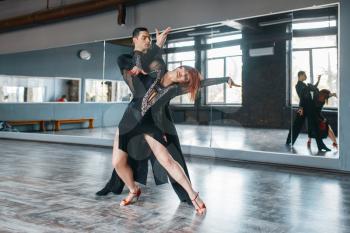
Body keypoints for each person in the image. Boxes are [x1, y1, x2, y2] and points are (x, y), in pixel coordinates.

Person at [113, 64, 240, 214]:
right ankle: (134, 190)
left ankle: (194, 196)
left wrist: (225, 79)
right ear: (180, 67)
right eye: (185, 72)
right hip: (129, 120)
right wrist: (138, 65)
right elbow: (143, 63)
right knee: (118, 162)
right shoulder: (157, 70)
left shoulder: (175, 89)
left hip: (150, 124)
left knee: (167, 161)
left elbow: (202, 83)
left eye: (187, 78)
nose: (183, 76)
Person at [286, 71, 321, 146]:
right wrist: (301, 108)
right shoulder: (298, 86)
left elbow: (313, 88)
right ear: (300, 75)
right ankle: (289, 140)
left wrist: (318, 81)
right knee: (296, 125)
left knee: (313, 124)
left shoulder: (305, 85)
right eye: (305, 75)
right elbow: (303, 96)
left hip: (308, 107)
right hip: (302, 107)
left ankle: (320, 144)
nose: (306, 77)